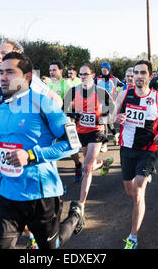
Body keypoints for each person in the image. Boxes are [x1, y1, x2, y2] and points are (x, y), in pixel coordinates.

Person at [0, 52, 84, 249]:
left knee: (51, 247)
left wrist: (31, 155)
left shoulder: (44, 103)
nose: (2, 77)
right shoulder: (2, 108)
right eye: (1, 72)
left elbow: (72, 143)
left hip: (40, 195)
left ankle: (74, 217)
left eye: (10, 72)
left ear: (27, 77)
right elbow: (10, 143)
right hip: (6, 195)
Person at [114, 60, 158, 249]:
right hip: (127, 148)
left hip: (148, 149)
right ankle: (143, 179)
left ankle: (133, 237)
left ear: (150, 76)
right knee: (130, 192)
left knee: (138, 193)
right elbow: (111, 116)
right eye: (136, 73)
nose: (139, 76)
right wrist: (117, 118)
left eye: (143, 73)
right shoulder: (125, 94)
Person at [63, 63, 115, 223]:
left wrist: (102, 119)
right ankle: (104, 162)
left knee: (86, 167)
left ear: (93, 76)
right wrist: (74, 115)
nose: (83, 77)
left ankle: (82, 204)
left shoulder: (100, 92)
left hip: (96, 131)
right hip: (81, 132)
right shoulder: (73, 91)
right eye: (81, 74)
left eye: (86, 74)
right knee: (89, 164)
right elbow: (64, 109)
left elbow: (112, 109)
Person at [94, 62, 123, 149]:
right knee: (106, 123)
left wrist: (118, 92)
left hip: (111, 104)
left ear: (108, 70)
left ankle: (105, 143)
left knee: (107, 123)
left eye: (105, 69)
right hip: (100, 104)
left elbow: (123, 86)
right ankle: (113, 136)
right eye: (102, 69)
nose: (103, 70)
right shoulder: (97, 79)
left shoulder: (114, 79)